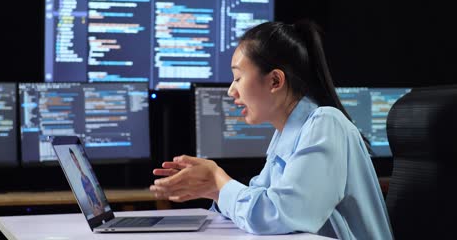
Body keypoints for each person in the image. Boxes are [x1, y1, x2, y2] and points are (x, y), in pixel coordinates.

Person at [150, 19, 393, 239]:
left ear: (275, 81)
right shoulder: (288, 133)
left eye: (237, 78)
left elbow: (279, 215)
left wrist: (218, 182)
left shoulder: (325, 123)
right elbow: (260, 200)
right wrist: (213, 190)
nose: (231, 91)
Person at [69, 148, 104, 216]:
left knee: (81, 172)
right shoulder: (99, 205)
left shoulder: (95, 207)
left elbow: (91, 199)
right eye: (74, 160)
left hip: (89, 191)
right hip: (90, 190)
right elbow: (94, 195)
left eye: (75, 160)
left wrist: (96, 207)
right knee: (81, 172)